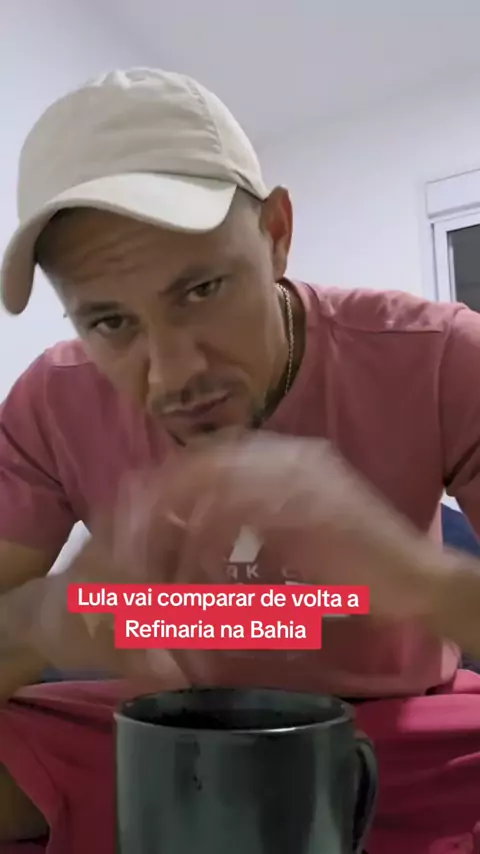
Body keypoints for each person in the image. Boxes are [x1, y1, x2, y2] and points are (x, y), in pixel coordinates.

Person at [1, 67, 480, 854]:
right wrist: (53, 617)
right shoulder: (50, 400)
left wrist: (408, 576)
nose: (173, 374)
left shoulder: (440, 355)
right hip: (163, 730)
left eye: (202, 289)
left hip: (401, 728)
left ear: (278, 233)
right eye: (111, 322)